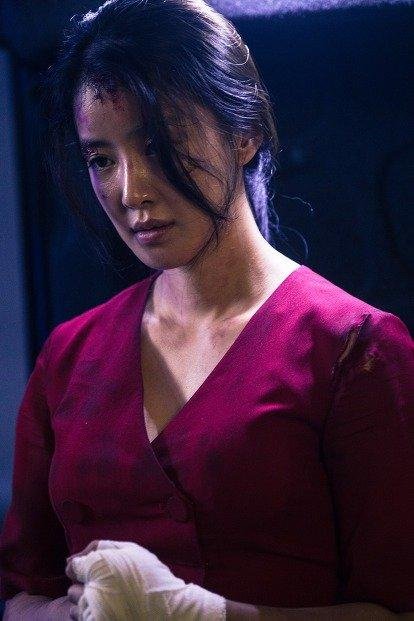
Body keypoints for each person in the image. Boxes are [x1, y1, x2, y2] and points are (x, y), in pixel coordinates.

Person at [1, 0, 413, 619]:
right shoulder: (70, 356)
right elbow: (20, 594)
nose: (131, 191)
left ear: (242, 133)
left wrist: (199, 614)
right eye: (101, 159)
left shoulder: (354, 349)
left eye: (159, 143)